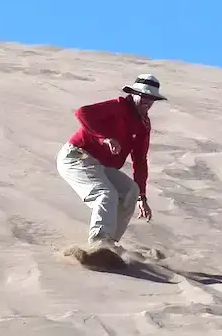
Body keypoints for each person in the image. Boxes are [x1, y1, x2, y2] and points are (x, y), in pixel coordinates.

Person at [56, 73, 167, 250]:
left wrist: (142, 197)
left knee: (130, 191)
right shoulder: (119, 106)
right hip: (77, 157)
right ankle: (99, 242)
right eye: (144, 96)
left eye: (152, 98)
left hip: (100, 165)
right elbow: (83, 113)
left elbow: (139, 160)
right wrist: (104, 138)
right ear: (134, 94)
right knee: (105, 194)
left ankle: (109, 244)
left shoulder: (144, 124)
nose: (148, 101)